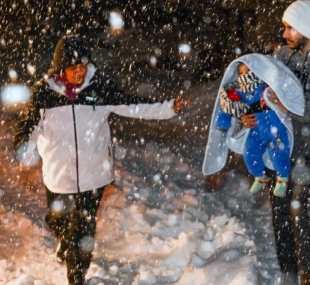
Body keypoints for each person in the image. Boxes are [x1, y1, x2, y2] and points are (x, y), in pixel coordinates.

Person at [14, 35, 188, 285]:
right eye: (74, 68)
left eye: (83, 66)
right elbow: (28, 127)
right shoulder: (44, 95)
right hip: (59, 176)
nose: (80, 72)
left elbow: (133, 105)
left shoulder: (99, 88)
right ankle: (65, 243)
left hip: (93, 174)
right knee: (58, 222)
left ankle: (76, 277)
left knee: (82, 233)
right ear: (61, 69)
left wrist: (169, 107)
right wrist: (24, 150)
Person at [241, 0, 310, 285]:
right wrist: (249, 115)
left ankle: (308, 277)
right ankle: (288, 273)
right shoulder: (282, 56)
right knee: (280, 213)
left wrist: (293, 107)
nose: (285, 33)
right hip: (282, 150)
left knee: (301, 214)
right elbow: (261, 93)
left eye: (290, 27)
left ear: (305, 28)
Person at [215, 63, 291, 197]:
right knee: (249, 153)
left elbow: (283, 92)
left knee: (279, 152)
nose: (245, 75)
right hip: (255, 129)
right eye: (241, 73)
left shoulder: (265, 84)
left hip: (274, 128)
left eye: (248, 70)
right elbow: (227, 105)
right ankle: (259, 176)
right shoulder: (238, 91)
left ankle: (282, 179)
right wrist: (224, 121)